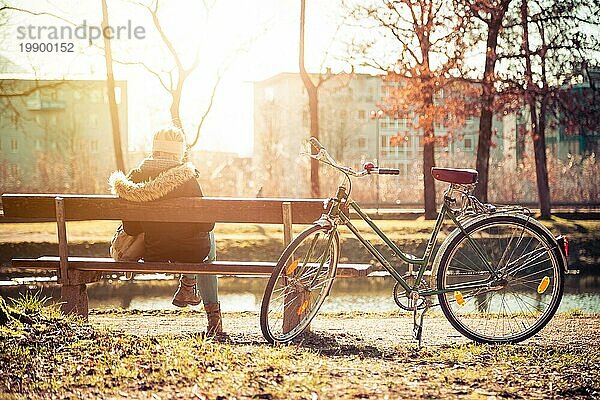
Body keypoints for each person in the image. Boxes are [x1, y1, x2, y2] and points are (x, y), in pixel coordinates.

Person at [109, 127, 222, 335]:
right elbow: (207, 224)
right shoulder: (188, 178)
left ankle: (188, 288)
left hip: (154, 251)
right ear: (179, 151)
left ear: (154, 148)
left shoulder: (135, 178)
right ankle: (211, 316)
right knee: (209, 240)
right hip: (191, 254)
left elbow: (131, 228)